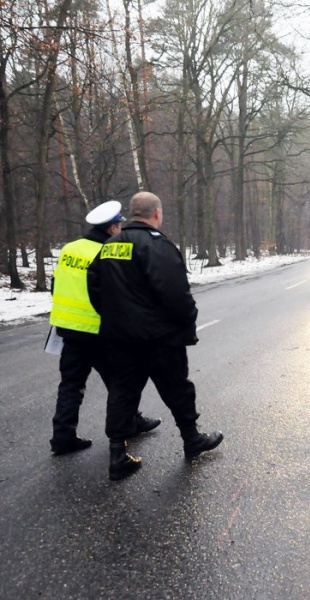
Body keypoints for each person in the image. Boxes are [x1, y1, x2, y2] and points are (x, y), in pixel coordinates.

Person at [87, 191, 223, 480]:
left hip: (120, 339)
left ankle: (117, 455)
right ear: (157, 214)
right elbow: (176, 294)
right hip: (158, 339)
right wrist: (187, 322)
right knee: (177, 389)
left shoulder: (109, 245)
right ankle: (191, 439)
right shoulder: (157, 245)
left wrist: (114, 318)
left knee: (122, 394)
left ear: (132, 214)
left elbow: (95, 288)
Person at [49, 200, 161, 455]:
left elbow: (57, 286)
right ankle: (131, 423)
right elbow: (117, 295)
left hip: (68, 329)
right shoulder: (109, 252)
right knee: (121, 383)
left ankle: (62, 437)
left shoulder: (69, 248)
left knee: (71, 385)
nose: (121, 229)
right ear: (111, 229)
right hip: (100, 332)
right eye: (119, 225)